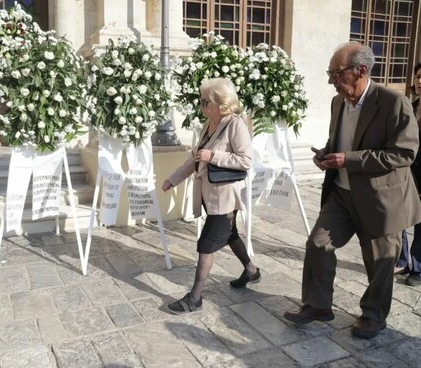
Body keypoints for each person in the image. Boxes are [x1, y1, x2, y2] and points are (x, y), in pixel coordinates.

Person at [283, 42, 421, 339]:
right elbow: (342, 142)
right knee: (318, 244)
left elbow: (404, 154)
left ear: (360, 70)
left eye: (336, 72)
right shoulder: (338, 102)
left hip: (381, 198)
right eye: (329, 73)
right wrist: (327, 154)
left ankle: (373, 316)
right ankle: (318, 306)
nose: (331, 79)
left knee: (380, 262)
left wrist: (350, 159)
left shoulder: (392, 103)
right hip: (342, 194)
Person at [161, 77, 259, 314]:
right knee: (230, 234)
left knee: (206, 245)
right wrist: (172, 179)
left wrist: (213, 157)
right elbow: (194, 158)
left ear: (221, 103)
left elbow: (246, 161)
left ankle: (195, 297)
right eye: (201, 101)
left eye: (206, 101)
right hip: (209, 195)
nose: (202, 106)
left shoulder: (235, 124)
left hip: (225, 197)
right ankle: (251, 270)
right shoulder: (209, 124)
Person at [395, 61, 421, 286]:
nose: (420, 81)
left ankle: (418, 269)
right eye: (418, 76)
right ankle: (402, 260)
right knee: (400, 218)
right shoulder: (410, 108)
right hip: (406, 172)